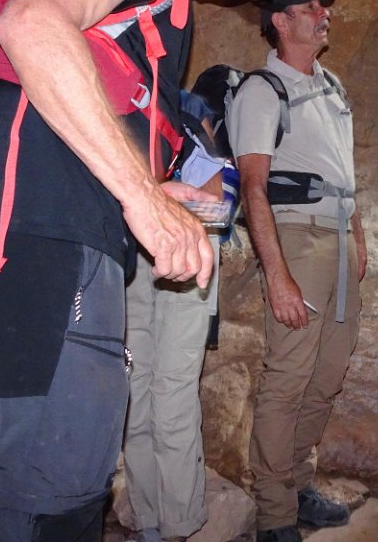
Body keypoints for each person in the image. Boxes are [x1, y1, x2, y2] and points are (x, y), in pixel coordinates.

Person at [0, 0, 304, 542]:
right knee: (53, 474)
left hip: (71, 215)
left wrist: (153, 189)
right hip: (43, 207)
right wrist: (140, 195)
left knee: (74, 462)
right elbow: (32, 21)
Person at [226, 0, 366, 542]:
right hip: (297, 238)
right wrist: (278, 275)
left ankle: (299, 483)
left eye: (323, 6)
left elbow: (343, 173)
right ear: (280, 22)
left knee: (327, 375)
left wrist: (357, 236)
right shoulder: (262, 91)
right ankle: (275, 512)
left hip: (337, 238)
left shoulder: (332, 86)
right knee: (287, 378)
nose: (321, 13)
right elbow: (253, 187)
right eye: (308, 7)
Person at [122, 105, 226, 542]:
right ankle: (147, 519)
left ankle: (177, 524)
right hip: (127, 248)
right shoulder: (115, 104)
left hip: (186, 242)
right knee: (133, 387)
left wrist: (160, 200)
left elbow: (213, 197)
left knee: (172, 389)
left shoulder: (186, 111)